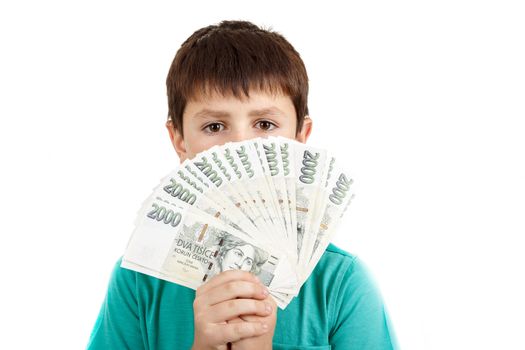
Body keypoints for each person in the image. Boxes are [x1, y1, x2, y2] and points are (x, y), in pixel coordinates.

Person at [87, 20, 399, 349]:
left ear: (300, 139)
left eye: (264, 124)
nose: (240, 147)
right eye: (215, 126)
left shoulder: (342, 283)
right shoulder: (139, 280)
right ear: (179, 141)